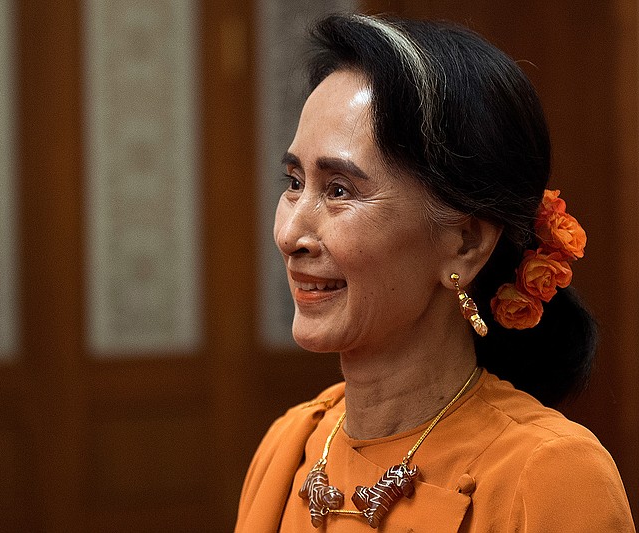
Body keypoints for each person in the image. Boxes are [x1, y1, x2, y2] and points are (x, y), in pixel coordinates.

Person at [235, 13, 635, 532]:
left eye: (339, 190)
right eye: (293, 182)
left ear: (465, 242)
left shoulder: (548, 475)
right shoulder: (290, 445)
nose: (291, 233)